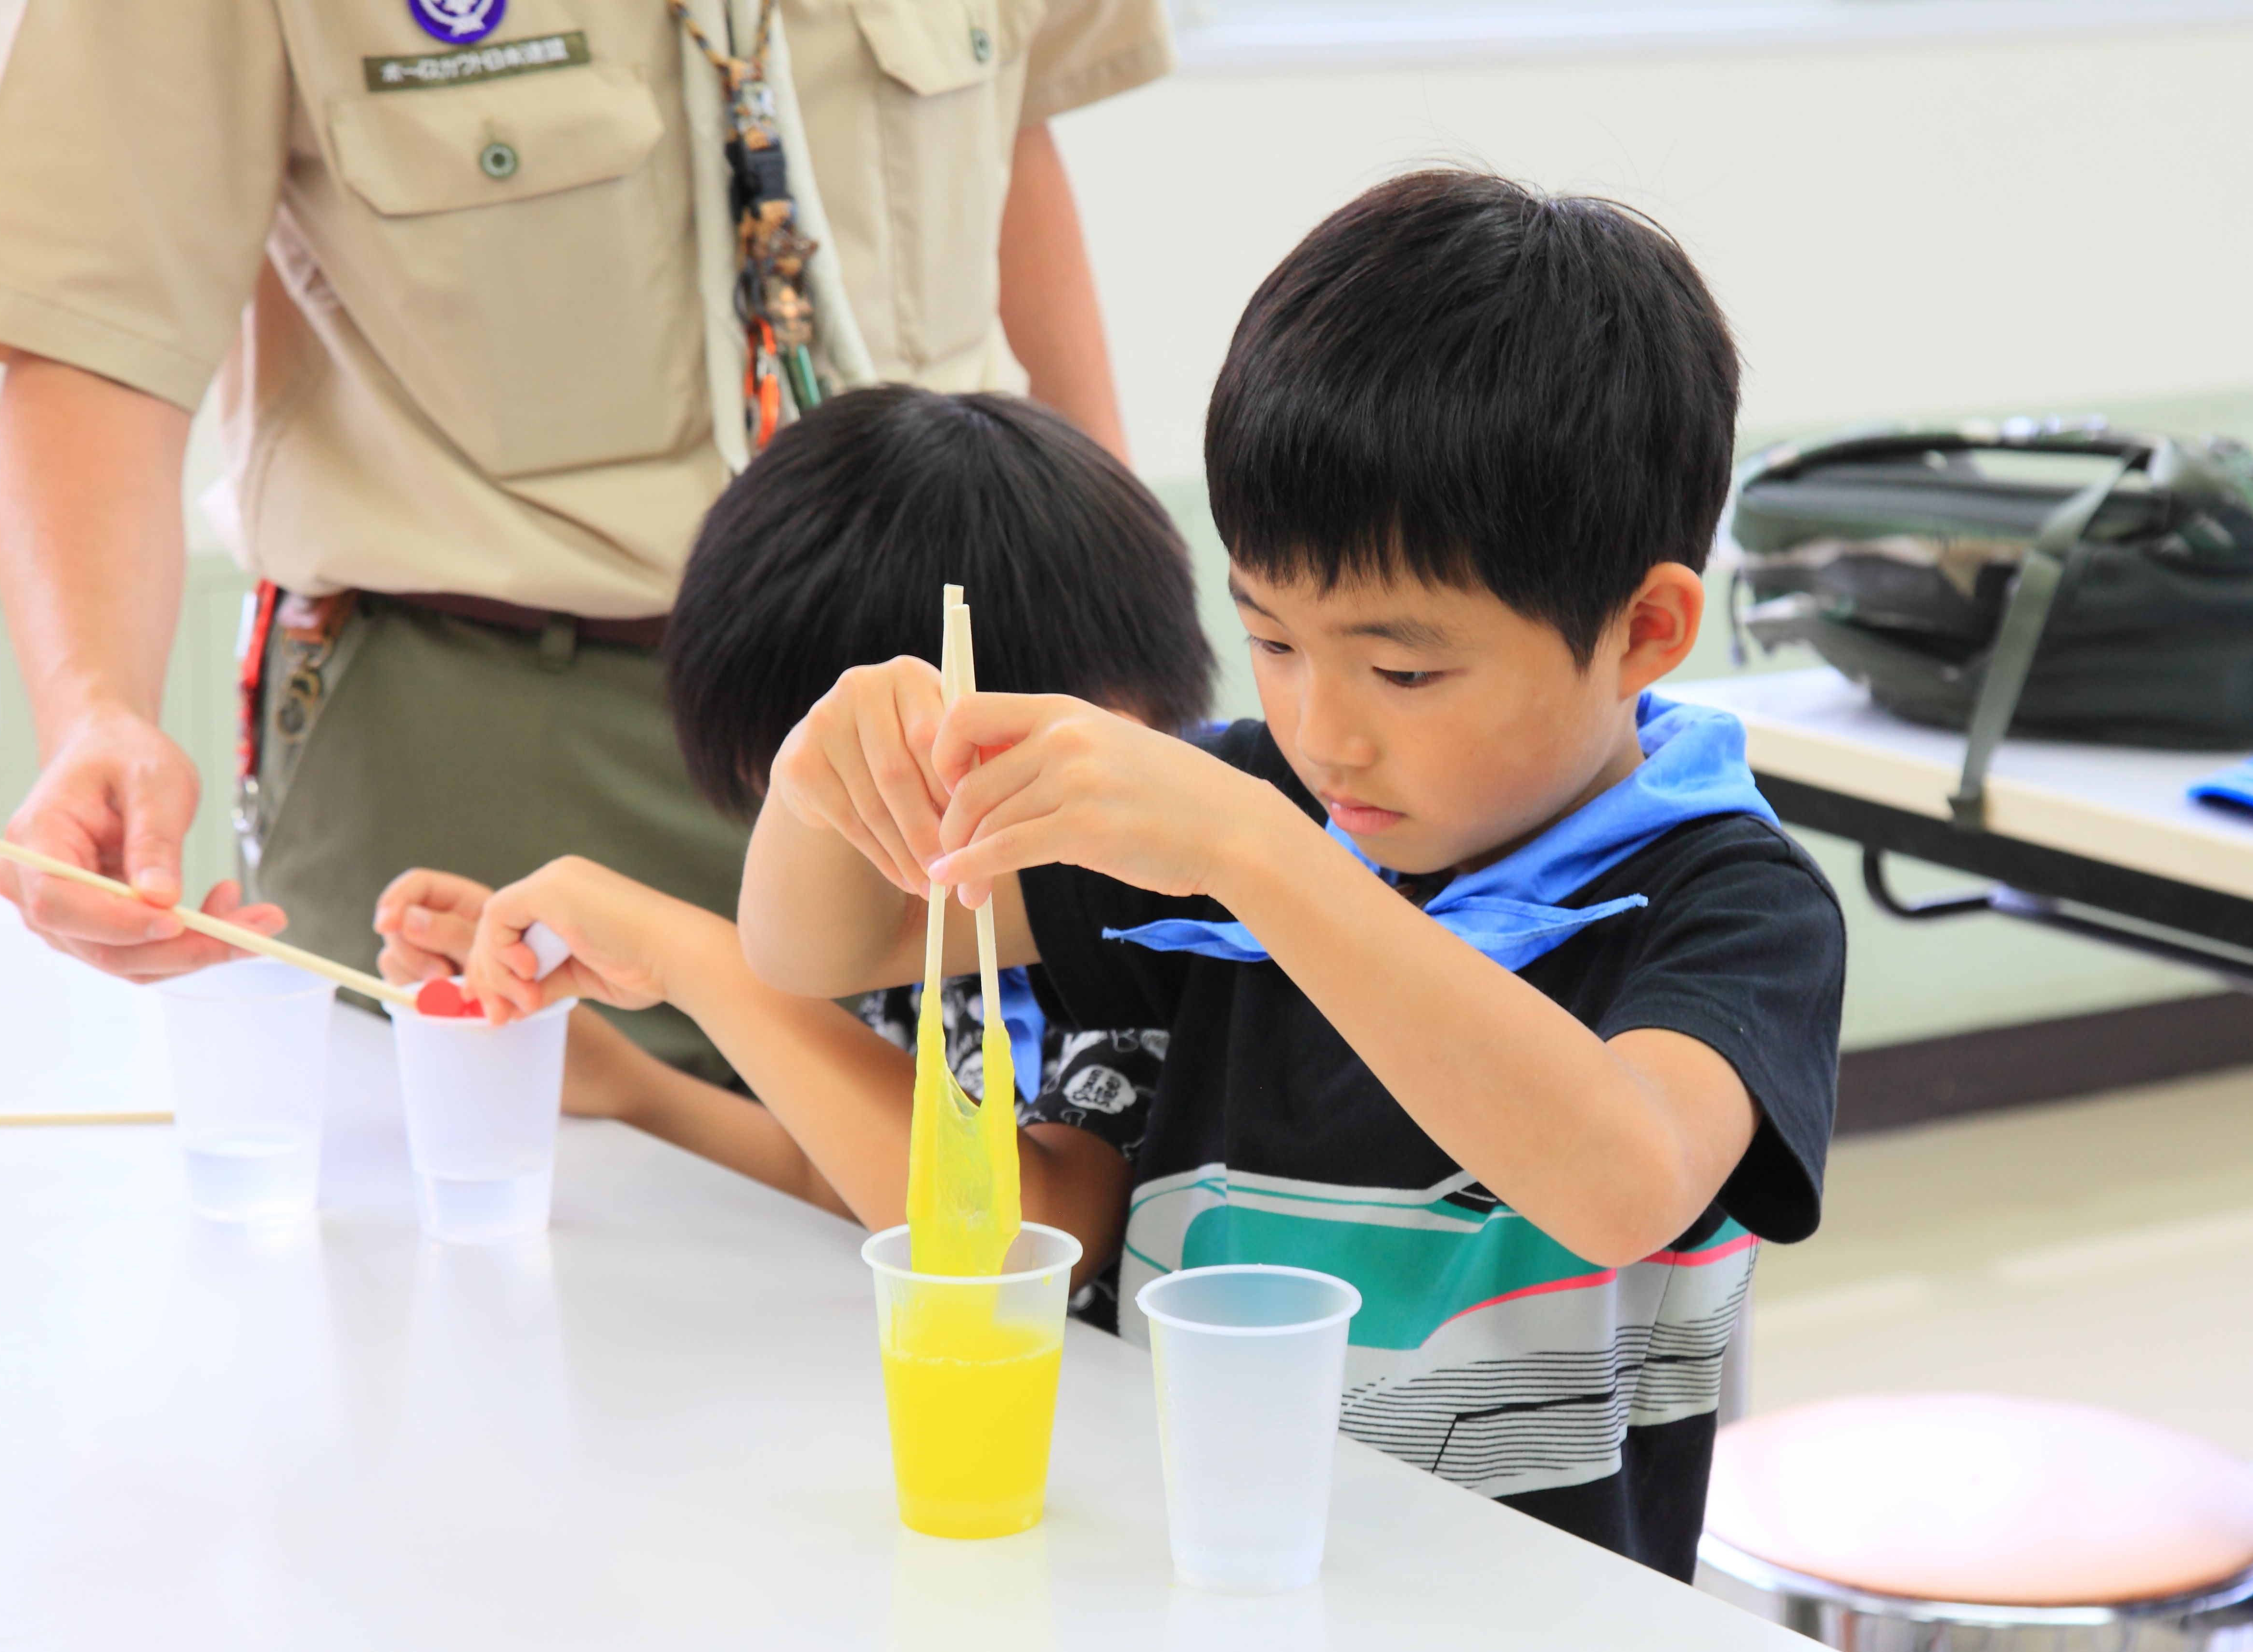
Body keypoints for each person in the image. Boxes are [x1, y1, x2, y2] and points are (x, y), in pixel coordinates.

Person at [715, 171, 1847, 1577]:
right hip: (1197, 1573)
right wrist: (826, 781)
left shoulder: (1730, 903)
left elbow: (1622, 1185)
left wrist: (1258, 858)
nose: (1323, 732)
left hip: (1537, 1635)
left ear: (1647, 631)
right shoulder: (1250, 807)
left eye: (1404, 670)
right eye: (1272, 641)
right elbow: (822, 946)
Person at [0, 0, 1168, 1083]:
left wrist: (1126, 652)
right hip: (497, 731)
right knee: (505, 1206)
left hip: (963, 728)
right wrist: (96, 711)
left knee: (1005, 1207)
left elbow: (1011, 141)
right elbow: (98, 329)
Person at [381, 385, 1213, 1283]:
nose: (813, 867)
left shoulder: (1151, 914)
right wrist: (621, 1084)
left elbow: (1017, 1237)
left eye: (828, 813)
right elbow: (843, 1173)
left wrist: (688, 960)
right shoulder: (930, 915)